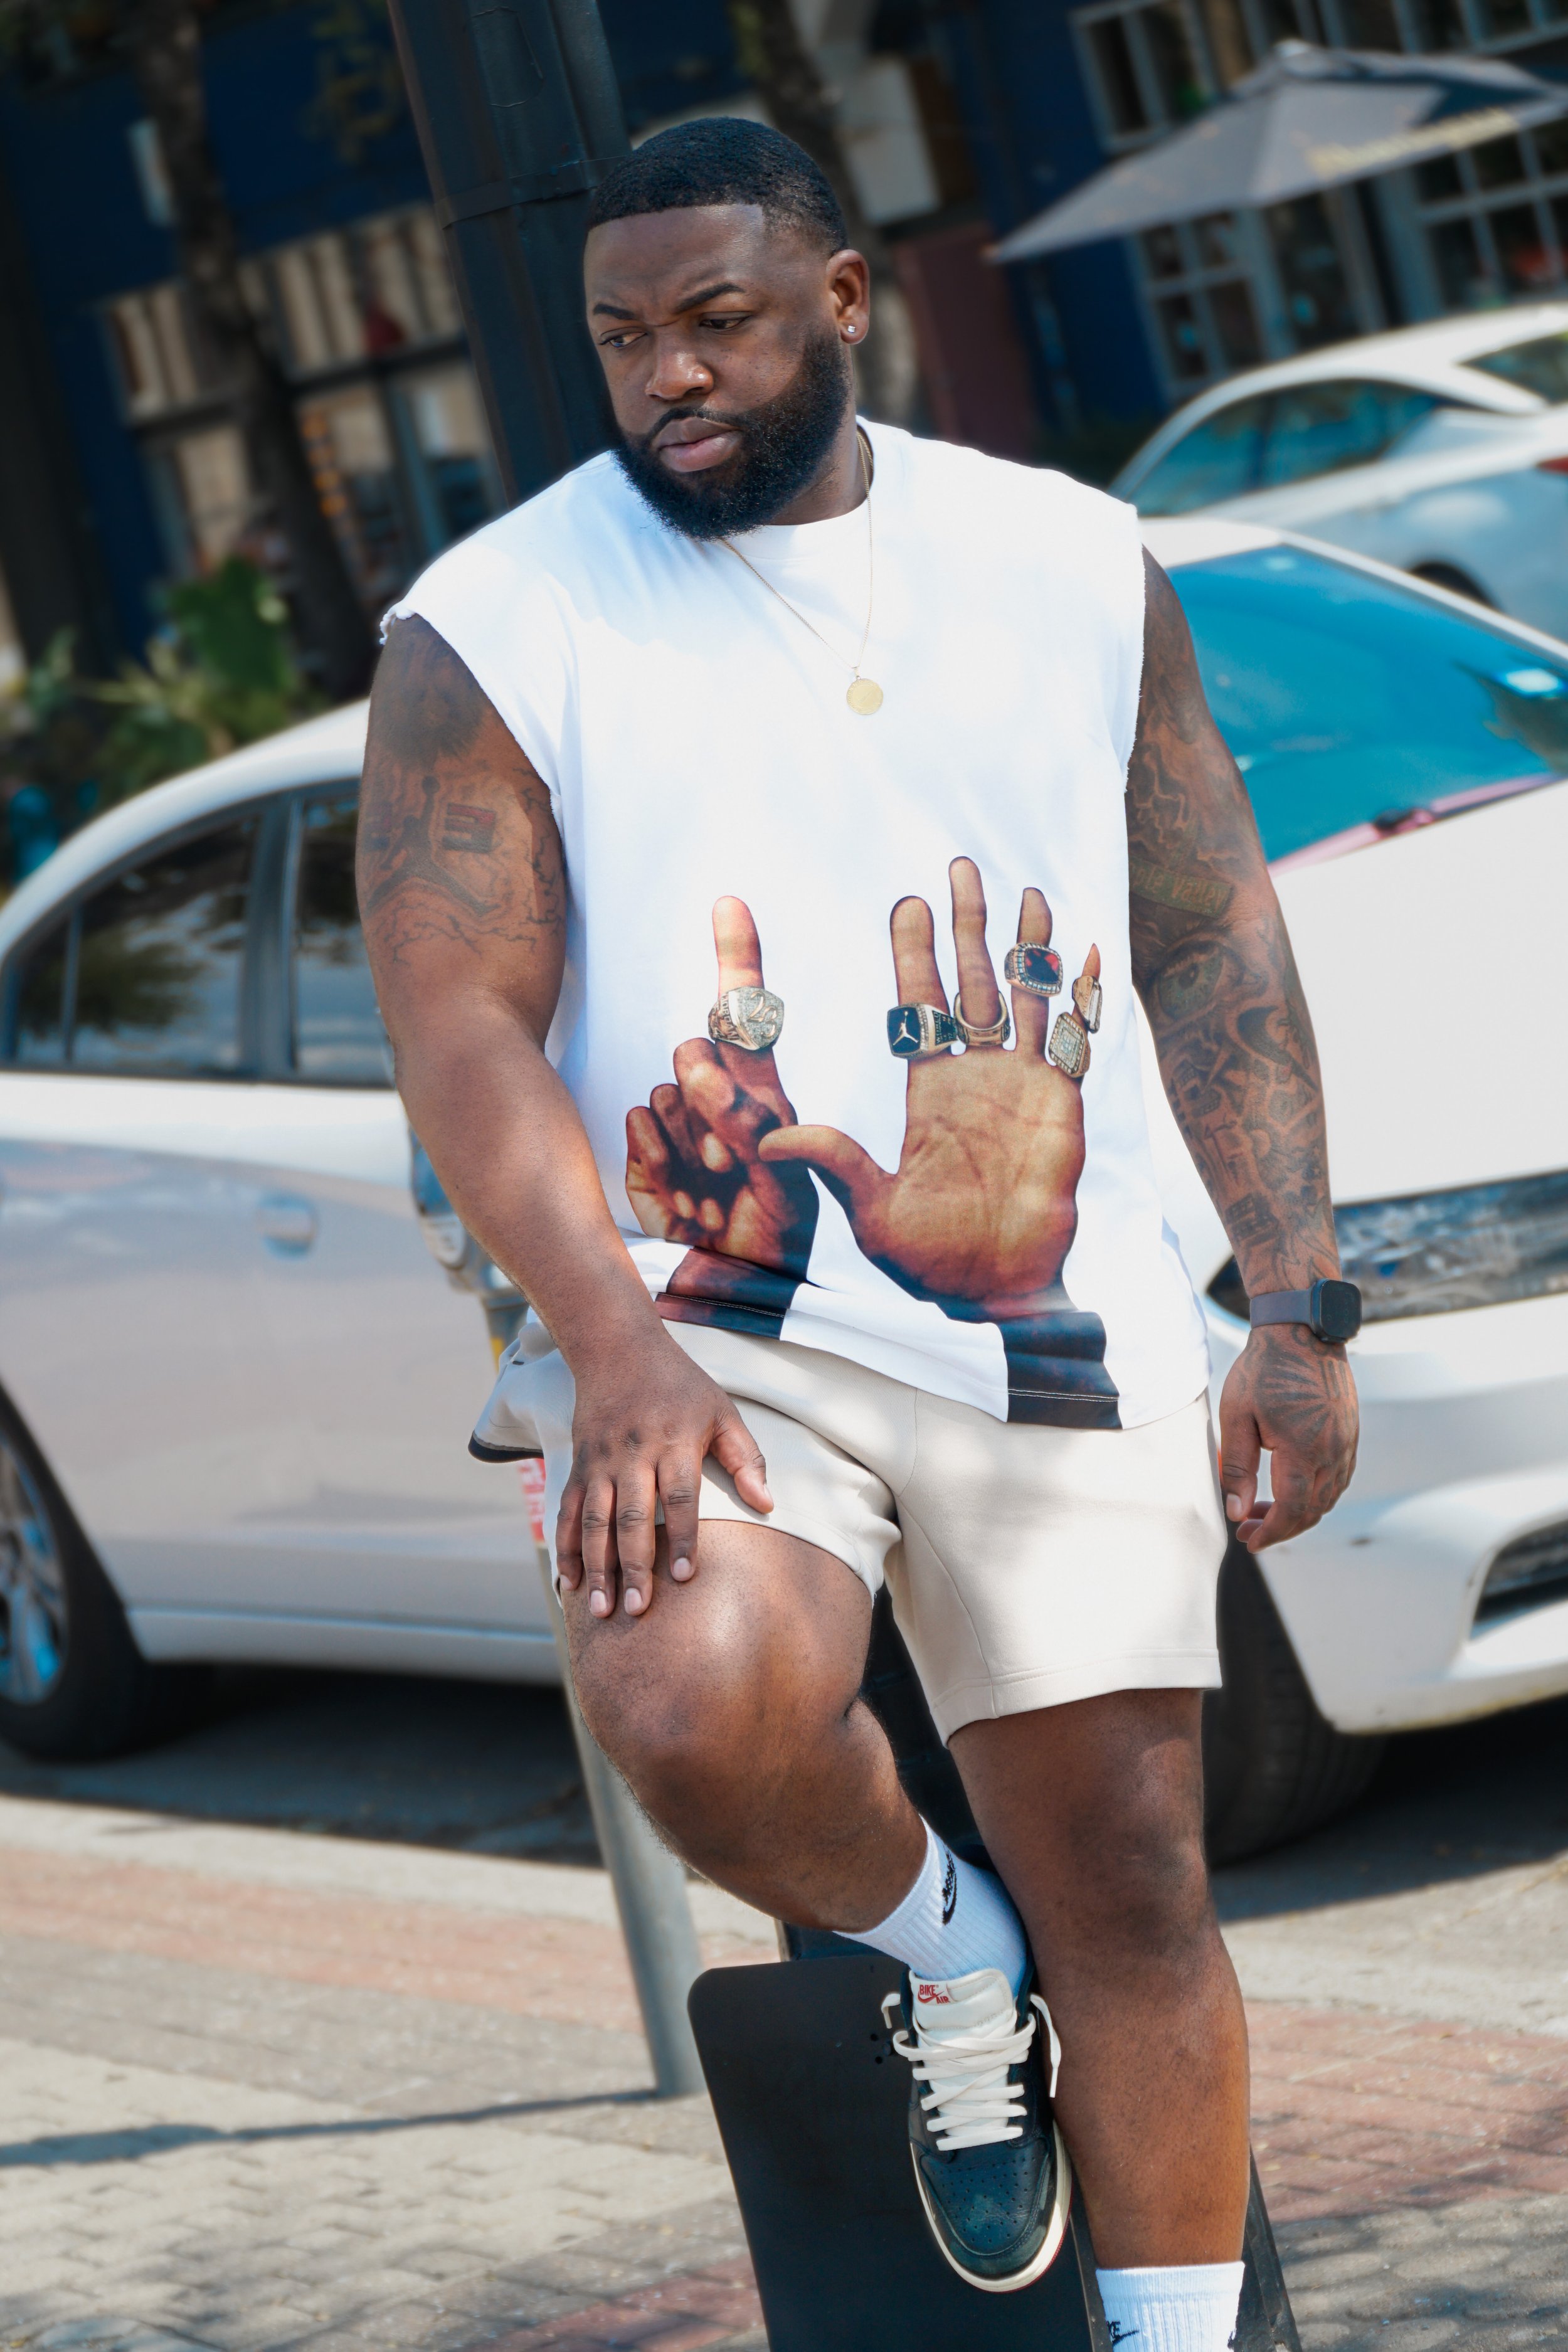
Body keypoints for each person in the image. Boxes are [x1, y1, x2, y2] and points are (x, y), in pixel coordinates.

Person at [359, 118, 1358, 2352]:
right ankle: (937, 1957)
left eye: (715, 323)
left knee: (1132, 1877)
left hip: (1060, 1301)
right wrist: (603, 1335)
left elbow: (1206, 932)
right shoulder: (496, 621)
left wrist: (1294, 1301)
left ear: (841, 298)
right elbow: (463, 1024)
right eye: (624, 340)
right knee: (687, 1697)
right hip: (709, 1308)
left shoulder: (1071, 557)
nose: (665, 384)